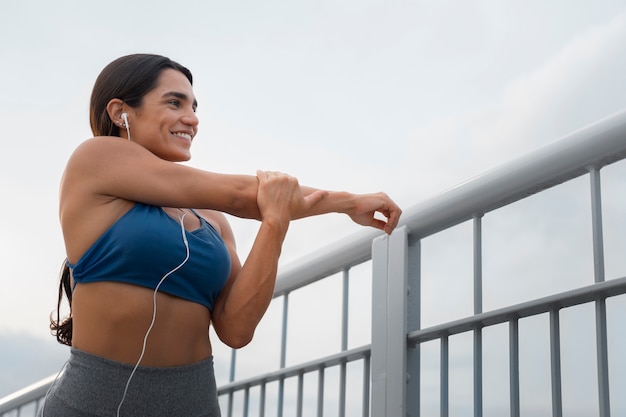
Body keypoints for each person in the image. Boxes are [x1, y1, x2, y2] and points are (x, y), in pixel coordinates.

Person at [42, 53, 401, 417]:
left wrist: (275, 226)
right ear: (121, 112)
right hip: (91, 404)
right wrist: (349, 201)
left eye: (194, 106)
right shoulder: (94, 160)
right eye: (174, 102)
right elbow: (242, 194)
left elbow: (236, 330)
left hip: (194, 404)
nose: (192, 118)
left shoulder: (212, 221)